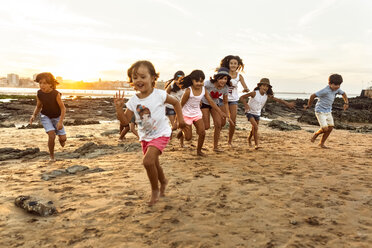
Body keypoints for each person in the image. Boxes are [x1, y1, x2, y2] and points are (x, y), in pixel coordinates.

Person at [114, 60, 185, 206]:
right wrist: (119, 109)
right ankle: (163, 181)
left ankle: (155, 190)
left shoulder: (160, 94)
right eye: (135, 78)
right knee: (154, 163)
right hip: (145, 137)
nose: (139, 80)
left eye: (143, 76)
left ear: (153, 78)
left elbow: (176, 103)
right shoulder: (133, 101)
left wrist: (180, 121)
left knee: (147, 162)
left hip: (162, 133)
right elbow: (125, 121)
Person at [178, 70, 228, 156]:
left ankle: (199, 151)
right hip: (186, 114)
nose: (199, 83)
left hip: (197, 113)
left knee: (202, 132)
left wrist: (220, 112)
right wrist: (178, 120)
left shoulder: (203, 89)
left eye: (201, 81)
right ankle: (183, 131)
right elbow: (180, 105)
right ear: (192, 81)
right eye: (196, 81)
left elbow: (211, 101)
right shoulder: (188, 91)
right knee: (188, 138)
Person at [240, 78, 295, 149]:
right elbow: (242, 97)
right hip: (249, 112)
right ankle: (257, 145)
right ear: (260, 86)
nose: (265, 87)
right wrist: (246, 105)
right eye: (263, 85)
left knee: (254, 128)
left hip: (257, 113)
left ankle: (249, 139)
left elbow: (278, 100)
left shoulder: (267, 95)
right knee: (256, 127)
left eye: (267, 86)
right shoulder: (254, 93)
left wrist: (287, 103)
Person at [304, 74, 348, 148]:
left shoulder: (337, 89)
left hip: (328, 111)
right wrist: (309, 105)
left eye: (339, 85)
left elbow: (343, 94)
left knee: (330, 128)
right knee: (325, 128)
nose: (337, 86)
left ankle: (321, 143)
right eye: (335, 85)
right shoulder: (325, 90)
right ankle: (316, 134)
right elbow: (312, 96)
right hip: (320, 111)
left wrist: (346, 102)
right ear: (329, 84)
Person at [30, 72, 67, 162]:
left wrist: (60, 122)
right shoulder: (39, 93)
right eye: (40, 83)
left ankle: (61, 140)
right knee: (51, 135)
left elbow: (63, 109)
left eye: (44, 83)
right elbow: (39, 106)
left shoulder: (56, 94)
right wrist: (33, 115)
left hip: (57, 117)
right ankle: (51, 156)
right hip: (45, 116)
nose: (42, 85)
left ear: (50, 84)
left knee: (63, 139)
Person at [201, 67, 234, 152]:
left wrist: (228, 115)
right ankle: (189, 124)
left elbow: (226, 102)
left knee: (218, 124)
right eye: (221, 78)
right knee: (206, 127)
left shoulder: (226, 88)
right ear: (216, 78)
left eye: (225, 79)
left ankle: (215, 147)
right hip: (204, 103)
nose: (223, 81)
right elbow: (199, 89)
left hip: (214, 104)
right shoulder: (208, 84)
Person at [219, 55, 250, 147]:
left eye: (235, 63)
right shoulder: (224, 74)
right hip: (222, 99)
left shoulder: (239, 76)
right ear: (228, 64)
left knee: (233, 121)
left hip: (234, 100)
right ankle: (218, 134)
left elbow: (245, 87)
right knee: (223, 122)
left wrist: (246, 89)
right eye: (231, 63)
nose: (233, 65)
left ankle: (229, 141)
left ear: (238, 65)